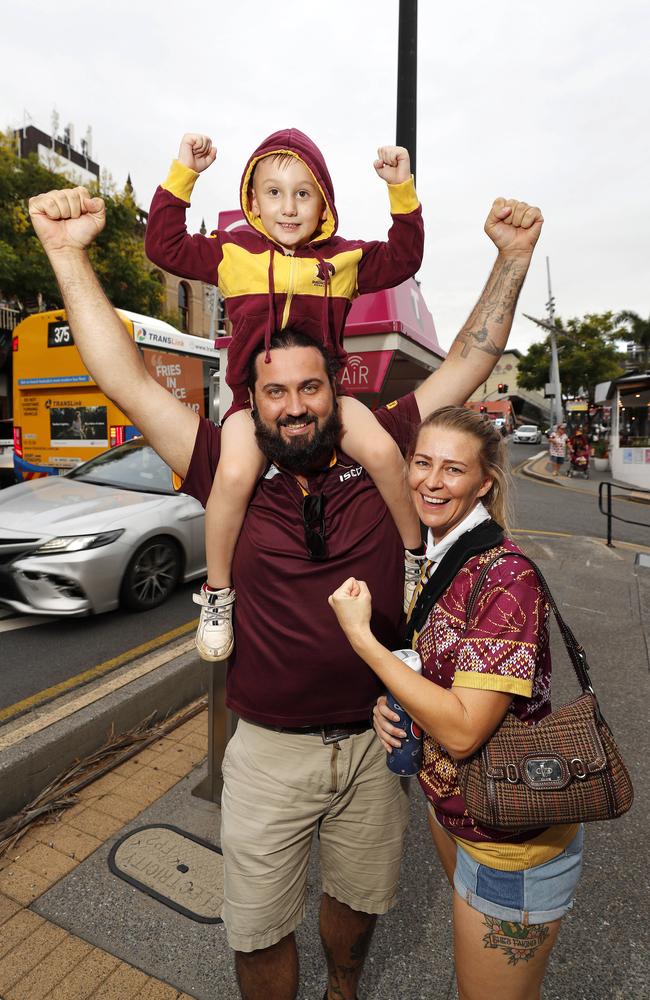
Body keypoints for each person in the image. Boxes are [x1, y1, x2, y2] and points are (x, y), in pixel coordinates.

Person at [28, 182, 542, 1000]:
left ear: (336, 390)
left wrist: (511, 261)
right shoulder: (222, 466)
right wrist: (66, 254)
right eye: (276, 392)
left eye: (311, 389)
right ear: (251, 399)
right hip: (265, 752)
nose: (296, 408)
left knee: (358, 903)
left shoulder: (389, 447)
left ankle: (343, 990)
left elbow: (471, 360)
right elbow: (123, 377)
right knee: (258, 927)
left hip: (378, 747)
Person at [329, 406, 583, 1000]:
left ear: (484, 483)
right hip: (456, 812)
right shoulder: (442, 555)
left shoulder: (505, 576)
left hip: (511, 838)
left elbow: (467, 730)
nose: (431, 481)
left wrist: (363, 640)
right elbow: (433, 678)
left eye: (453, 469)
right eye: (422, 463)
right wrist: (390, 706)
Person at [145, 129, 428, 662]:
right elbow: (162, 245)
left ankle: (416, 561)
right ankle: (217, 596)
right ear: (251, 200)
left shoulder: (345, 259)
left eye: (304, 192)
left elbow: (405, 258)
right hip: (254, 407)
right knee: (231, 477)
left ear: (324, 202)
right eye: (273, 192)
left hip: (329, 403)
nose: (289, 206)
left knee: (387, 454)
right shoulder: (232, 253)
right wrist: (185, 172)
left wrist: (401, 190)